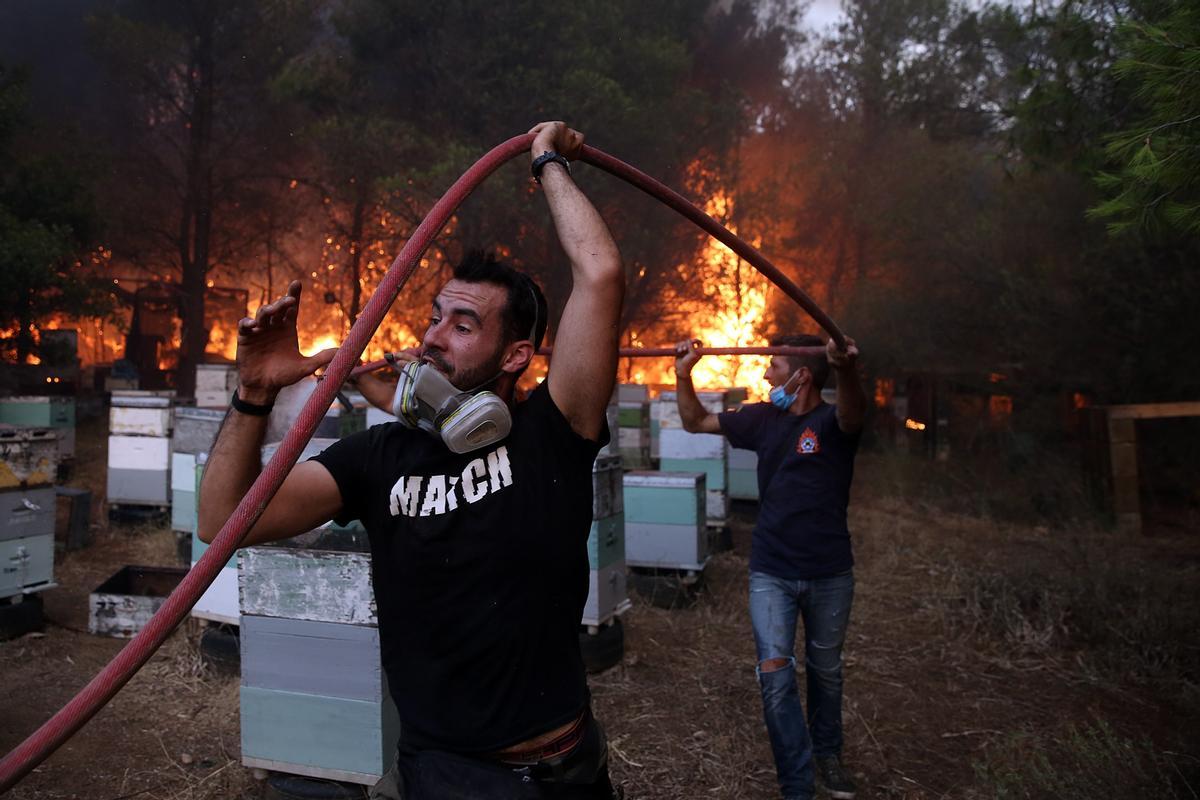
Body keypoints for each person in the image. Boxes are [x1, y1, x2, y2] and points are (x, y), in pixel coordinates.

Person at [198, 121, 624, 800]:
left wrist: (546, 160)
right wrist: (252, 392)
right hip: (435, 774)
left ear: (516, 356)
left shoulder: (554, 431)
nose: (432, 339)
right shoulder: (379, 456)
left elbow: (599, 272)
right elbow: (224, 520)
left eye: (463, 325)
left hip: (558, 775)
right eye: (434, 318)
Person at [673, 333, 866, 800]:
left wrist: (844, 368)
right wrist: (683, 373)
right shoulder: (762, 419)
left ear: (801, 375)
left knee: (825, 671)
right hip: (771, 572)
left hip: (829, 573)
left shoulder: (832, 424)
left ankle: (828, 756)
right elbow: (696, 420)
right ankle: (797, 784)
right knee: (776, 676)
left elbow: (852, 412)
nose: (764, 374)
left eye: (773, 366)